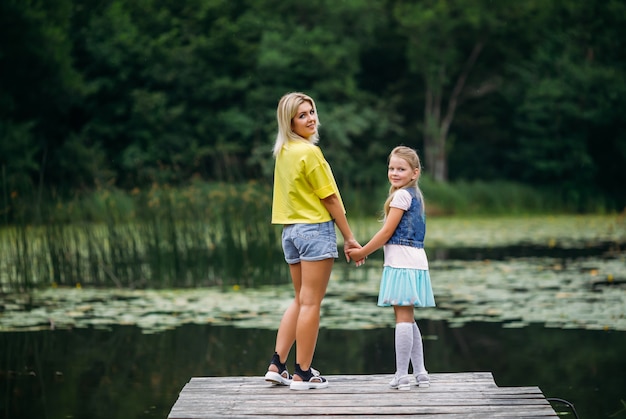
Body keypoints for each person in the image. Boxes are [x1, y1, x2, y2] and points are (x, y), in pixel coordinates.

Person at [264, 92, 363, 391]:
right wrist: (349, 237)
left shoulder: (284, 151)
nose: (311, 119)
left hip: (290, 233)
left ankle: (277, 365)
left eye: (312, 112)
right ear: (290, 121)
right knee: (311, 303)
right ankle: (303, 373)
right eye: (302, 115)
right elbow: (330, 198)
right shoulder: (309, 153)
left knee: (300, 300)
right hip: (314, 230)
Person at [347, 145, 435, 390]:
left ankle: (401, 375)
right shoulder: (415, 196)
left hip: (402, 263)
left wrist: (362, 252)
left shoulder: (401, 196)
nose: (395, 173)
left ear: (414, 173)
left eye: (401, 169)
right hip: (415, 261)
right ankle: (420, 373)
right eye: (392, 168)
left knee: (402, 318)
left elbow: (386, 232)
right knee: (409, 317)